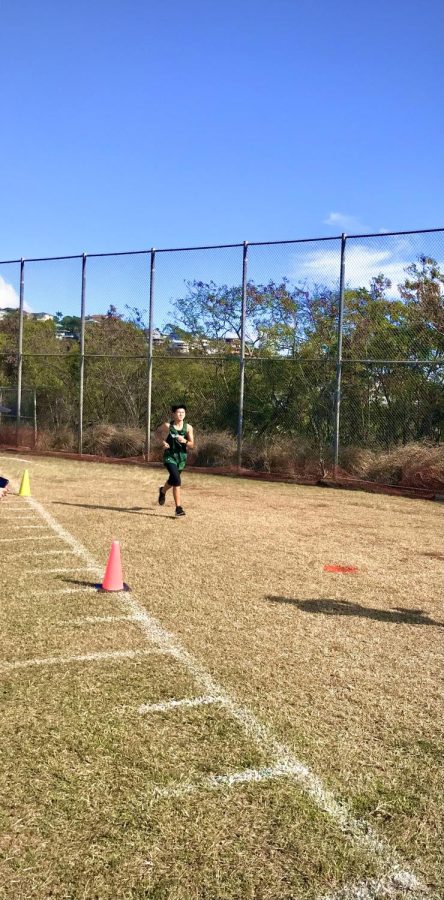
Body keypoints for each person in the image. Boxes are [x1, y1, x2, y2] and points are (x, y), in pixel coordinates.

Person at [157, 405, 194, 517]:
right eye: (178, 412)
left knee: (173, 479)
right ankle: (178, 508)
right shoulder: (168, 426)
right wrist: (163, 442)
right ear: (173, 414)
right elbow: (157, 433)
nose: (181, 414)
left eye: (183, 412)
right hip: (170, 456)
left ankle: (162, 491)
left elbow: (192, 445)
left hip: (181, 458)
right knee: (177, 480)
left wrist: (185, 441)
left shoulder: (188, 428)